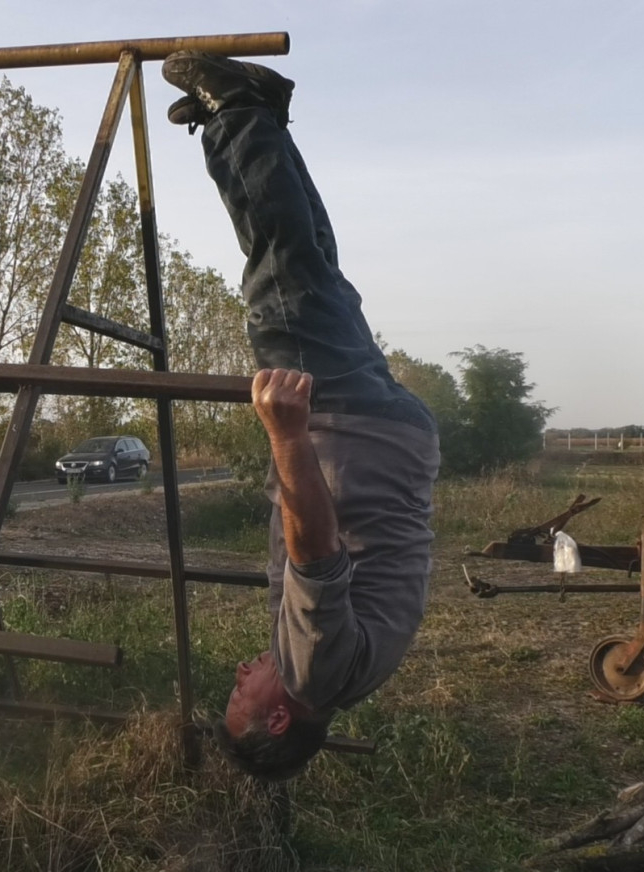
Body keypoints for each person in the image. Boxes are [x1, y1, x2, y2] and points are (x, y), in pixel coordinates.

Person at [161, 52, 442, 781]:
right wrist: (286, 432)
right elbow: (316, 551)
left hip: (386, 436)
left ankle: (260, 117)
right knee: (279, 275)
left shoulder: (345, 680)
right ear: (278, 718)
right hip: (350, 434)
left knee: (310, 269)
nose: (240, 675)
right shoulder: (312, 673)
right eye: (240, 696)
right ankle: (234, 110)